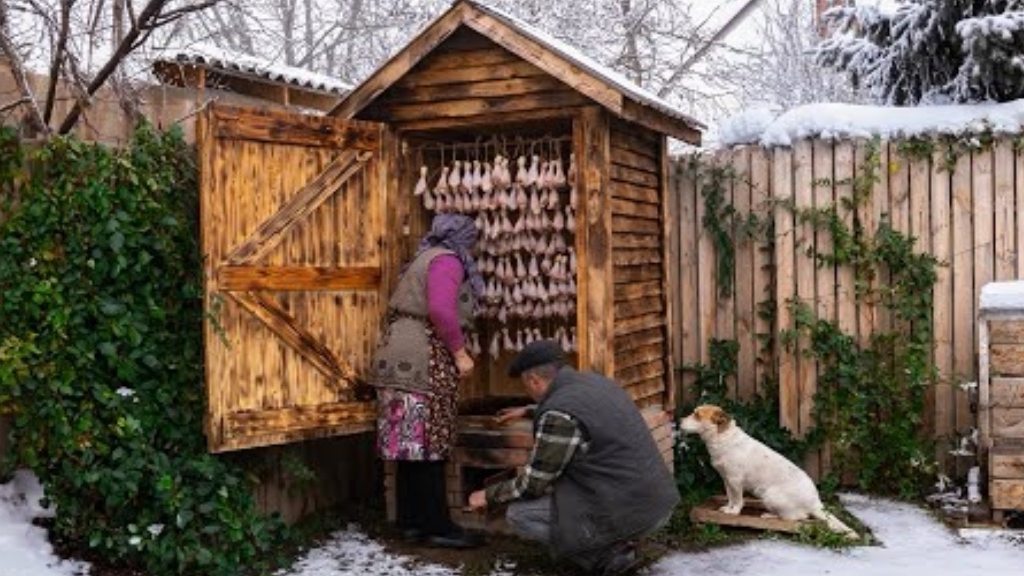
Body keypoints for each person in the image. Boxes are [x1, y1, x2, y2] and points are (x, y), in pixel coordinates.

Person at [466, 340, 679, 576]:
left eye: (527, 386)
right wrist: (528, 410)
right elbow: (579, 412)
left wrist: (487, 495)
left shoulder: (559, 415)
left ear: (533, 381)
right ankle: (615, 543)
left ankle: (606, 558)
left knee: (519, 515)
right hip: (655, 501)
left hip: (632, 510)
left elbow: (533, 483)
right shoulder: (594, 382)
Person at [369, 212, 484, 549]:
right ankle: (438, 527)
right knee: (429, 440)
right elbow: (441, 311)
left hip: (398, 353)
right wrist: (460, 352)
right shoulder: (447, 260)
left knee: (409, 443)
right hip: (423, 356)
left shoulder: (424, 257)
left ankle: (411, 522)